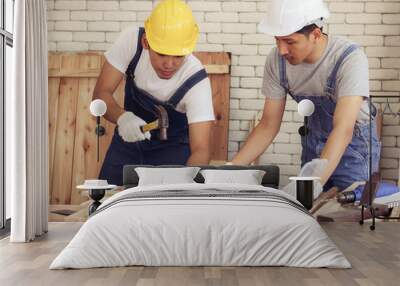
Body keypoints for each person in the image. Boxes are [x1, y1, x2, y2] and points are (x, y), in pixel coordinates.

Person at [230, 0, 380, 193]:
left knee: (347, 217)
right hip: (313, 147)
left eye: (290, 42)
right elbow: (268, 125)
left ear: (316, 35)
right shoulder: (277, 62)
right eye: (277, 40)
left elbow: (343, 129)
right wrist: (231, 169)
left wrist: (310, 187)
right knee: (310, 215)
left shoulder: (349, 58)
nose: (282, 50)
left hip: (354, 153)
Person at [93, 0, 214, 185]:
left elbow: (201, 149)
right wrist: (123, 118)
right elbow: (101, 94)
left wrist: (188, 186)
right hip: (127, 142)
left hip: (172, 151)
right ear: (146, 42)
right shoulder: (131, 43)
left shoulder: (196, 81)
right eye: (162, 53)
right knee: (107, 202)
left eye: (178, 56)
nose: (169, 64)